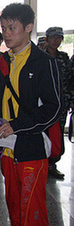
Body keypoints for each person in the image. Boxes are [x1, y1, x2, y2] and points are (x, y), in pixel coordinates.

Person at [0, 4, 62, 226]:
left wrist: (17, 125)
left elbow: (54, 108)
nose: (6, 34)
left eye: (11, 28)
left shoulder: (43, 62)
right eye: (3, 28)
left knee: (32, 208)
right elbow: (0, 98)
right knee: (14, 204)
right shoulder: (5, 60)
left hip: (31, 147)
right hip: (7, 147)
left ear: (28, 28)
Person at [45, 27, 70, 179]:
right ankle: (43, 162)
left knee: (58, 133)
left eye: (59, 37)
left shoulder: (64, 57)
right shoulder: (40, 57)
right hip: (45, 103)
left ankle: (53, 163)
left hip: (62, 102)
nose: (56, 40)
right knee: (45, 132)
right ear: (47, 39)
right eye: (53, 37)